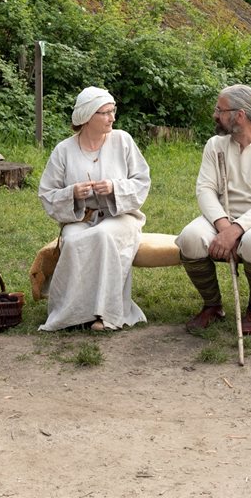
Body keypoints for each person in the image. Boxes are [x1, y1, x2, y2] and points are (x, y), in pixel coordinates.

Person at [176, 85, 251, 335]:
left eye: (220, 110)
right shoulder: (215, 145)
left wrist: (237, 230)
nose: (215, 114)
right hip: (222, 217)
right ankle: (212, 306)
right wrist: (224, 227)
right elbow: (205, 189)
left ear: (239, 115)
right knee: (190, 237)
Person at [37, 87, 151, 331]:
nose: (112, 117)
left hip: (120, 216)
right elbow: (47, 194)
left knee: (103, 234)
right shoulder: (64, 150)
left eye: (113, 111)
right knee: (73, 238)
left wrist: (113, 187)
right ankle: (71, 313)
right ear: (88, 116)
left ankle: (105, 314)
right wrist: (73, 194)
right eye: (105, 112)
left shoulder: (123, 141)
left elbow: (142, 182)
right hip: (82, 218)